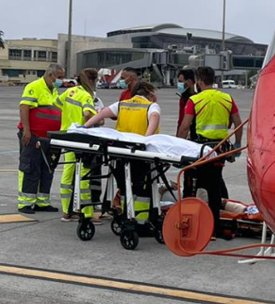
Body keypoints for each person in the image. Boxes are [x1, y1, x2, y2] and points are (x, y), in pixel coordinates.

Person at [85, 81, 160, 225]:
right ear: (149, 94)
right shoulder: (151, 106)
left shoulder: (122, 104)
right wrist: (146, 139)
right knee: (141, 188)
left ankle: (126, 216)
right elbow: (155, 117)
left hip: (120, 152)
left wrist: (84, 127)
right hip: (141, 154)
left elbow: (101, 114)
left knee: (125, 185)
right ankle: (140, 221)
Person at [177, 66, 242, 223]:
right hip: (219, 149)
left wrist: (179, 145)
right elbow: (238, 123)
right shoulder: (227, 98)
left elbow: (185, 126)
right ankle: (214, 225)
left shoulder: (195, 99)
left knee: (191, 184)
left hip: (200, 148)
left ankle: (188, 221)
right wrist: (237, 144)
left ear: (199, 81)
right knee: (214, 187)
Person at [17, 63, 64, 213]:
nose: (61, 81)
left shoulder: (54, 90)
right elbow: (24, 107)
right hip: (33, 135)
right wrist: (27, 131)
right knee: (30, 167)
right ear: (50, 75)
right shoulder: (35, 86)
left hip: (48, 137)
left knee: (47, 168)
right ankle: (25, 203)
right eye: (59, 77)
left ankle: (42, 201)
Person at [58, 68, 100, 221]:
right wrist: (97, 119)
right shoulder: (86, 95)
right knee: (84, 174)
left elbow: (57, 104)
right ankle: (87, 212)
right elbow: (88, 114)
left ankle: (66, 211)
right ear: (92, 81)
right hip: (81, 138)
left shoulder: (70, 91)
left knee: (68, 172)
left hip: (66, 135)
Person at [176, 68, 197, 136]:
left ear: (190, 81)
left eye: (181, 81)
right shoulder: (183, 98)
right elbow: (180, 120)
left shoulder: (196, 99)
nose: (179, 84)